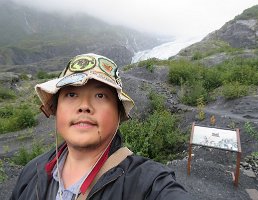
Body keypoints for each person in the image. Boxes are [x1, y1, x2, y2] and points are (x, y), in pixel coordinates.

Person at [10, 53, 191, 200]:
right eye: (72, 94)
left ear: (118, 114)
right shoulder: (33, 170)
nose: (84, 106)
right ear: (55, 108)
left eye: (100, 96)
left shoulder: (149, 183)